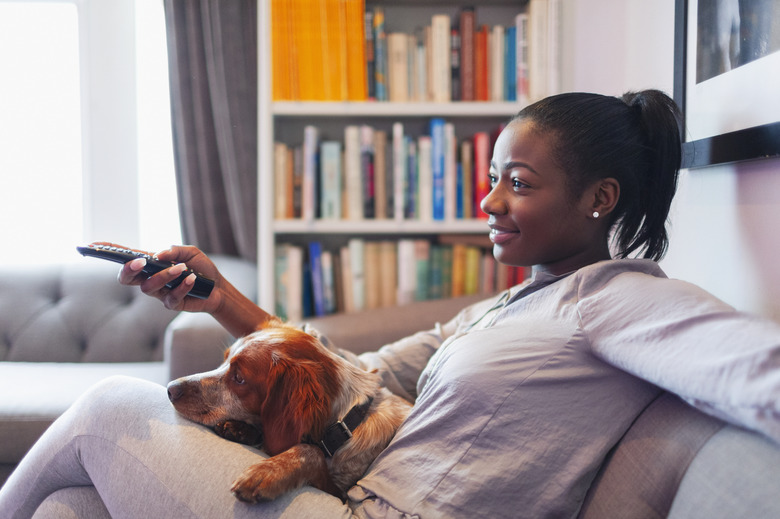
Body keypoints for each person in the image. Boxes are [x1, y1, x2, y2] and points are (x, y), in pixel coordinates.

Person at [2, 90, 780, 519]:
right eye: (494, 177)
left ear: (599, 199)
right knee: (70, 506)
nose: (490, 200)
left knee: (109, 408)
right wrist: (219, 298)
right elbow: (351, 374)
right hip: (342, 498)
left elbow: (755, 367)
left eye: (519, 183)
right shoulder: (510, 307)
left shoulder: (616, 301)